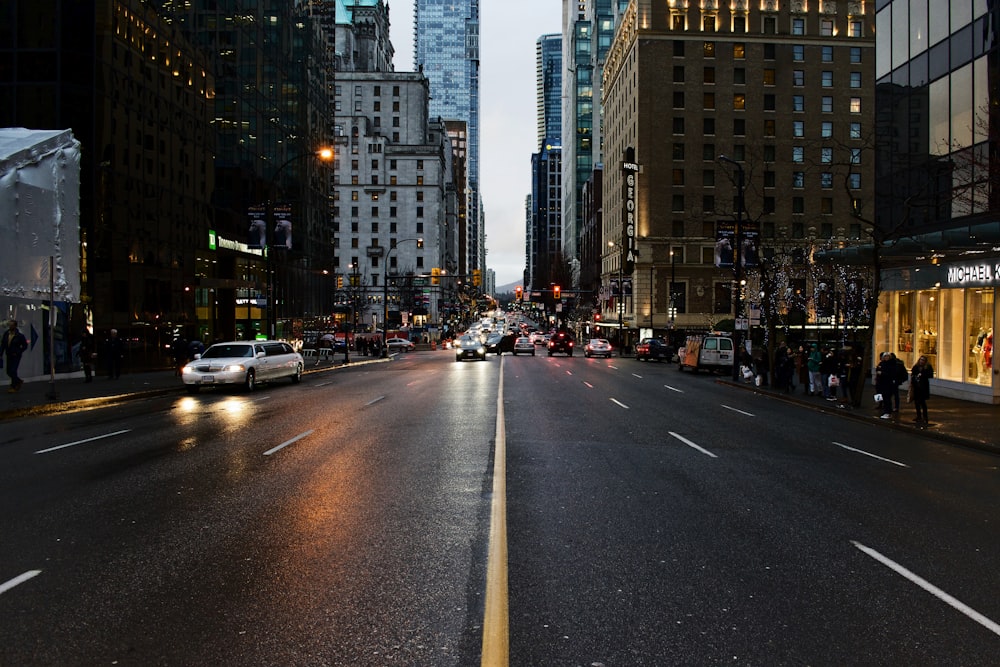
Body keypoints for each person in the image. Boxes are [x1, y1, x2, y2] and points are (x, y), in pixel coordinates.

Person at [0, 319, 28, 392]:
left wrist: (18, 351)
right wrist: (1, 353)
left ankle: (14, 386)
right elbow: (3, 344)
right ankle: (18, 381)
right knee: (8, 371)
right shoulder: (6, 334)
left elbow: (24, 345)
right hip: (8, 354)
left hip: (16, 355)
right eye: (9, 325)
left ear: (15, 326)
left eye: (11, 325)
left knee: (13, 370)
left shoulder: (19, 335)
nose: (10, 326)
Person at [910, 355, 934, 424]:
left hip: (923, 387)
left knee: (922, 403)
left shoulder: (927, 367)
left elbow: (930, 375)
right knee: (916, 402)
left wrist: (923, 375)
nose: (921, 361)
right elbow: (913, 374)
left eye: (923, 360)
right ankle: (918, 416)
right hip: (916, 387)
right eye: (920, 360)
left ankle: (925, 417)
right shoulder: (916, 367)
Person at [875, 352, 896, 419]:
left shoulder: (891, 364)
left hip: (888, 384)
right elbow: (877, 369)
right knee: (883, 398)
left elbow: (891, 374)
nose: (886, 358)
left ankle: (888, 412)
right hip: (881, 383)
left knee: (887, 398)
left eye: (887, 356)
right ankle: (885, 410)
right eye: (885, 356)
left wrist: (882, 373)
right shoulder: (882, 363)